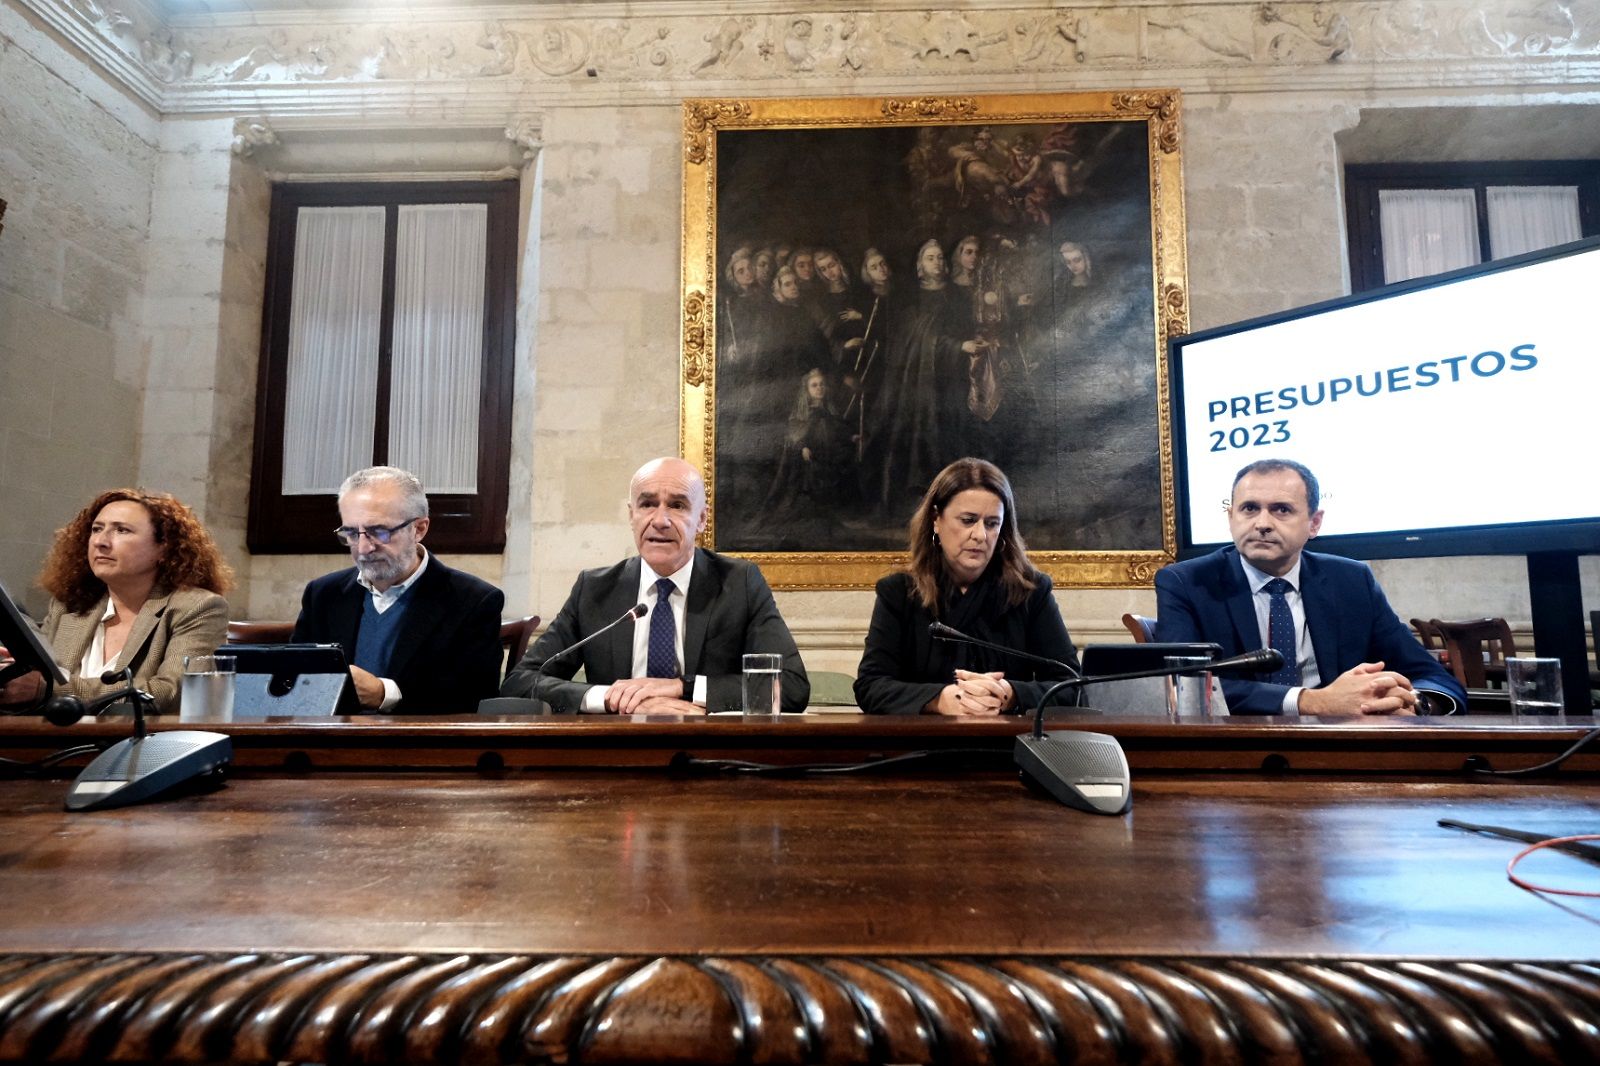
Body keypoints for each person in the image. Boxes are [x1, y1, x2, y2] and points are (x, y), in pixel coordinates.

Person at [1154, 459, 1467, 715]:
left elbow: (1431, 676)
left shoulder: (1352, 581)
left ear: (1314, 523)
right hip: (1235, 747)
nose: (1262, 523)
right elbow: (1184, 686)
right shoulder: (1186, 582)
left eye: (1282, 509)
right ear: (1230, 517)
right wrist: (1314, 701)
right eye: (1249, 508)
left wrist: (1414, 704)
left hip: (1343, 745)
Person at [503, 457, 809, 714]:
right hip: (616, 753)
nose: (660, 520)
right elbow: (520, 682)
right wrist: (612, 698)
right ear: (631, 516)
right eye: (647, 504)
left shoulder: (739, 583)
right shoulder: (595, 590)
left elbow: (791, 686)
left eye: (677, 505)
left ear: (701, 519)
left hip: (708, 751)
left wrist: (682, 688)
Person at [855, 458, 1079, 715]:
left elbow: (1072, 685)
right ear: (936, 519)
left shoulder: (1031, 591)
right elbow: (870, 687)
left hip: (1008, 739)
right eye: (968, 520)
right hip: (923, 739)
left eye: (992, 523)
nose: (980, 535)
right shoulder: (898, 592)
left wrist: (1009, 694)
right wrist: (940, 699)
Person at [292, 466, 503, 714]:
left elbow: (474, 698)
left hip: (418, 737)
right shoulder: (323, 594)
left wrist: (385, 694)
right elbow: (294, 680)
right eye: (351, 533)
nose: (363, 548)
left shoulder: (473, 601)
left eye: (379, 532)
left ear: (419, 529)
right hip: (329, 735)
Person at [0, 489, 231, 714]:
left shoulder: (198, 607)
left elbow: (172, 693)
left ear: (164, 547)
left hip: (143, 738)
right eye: (96, 529)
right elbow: (35, 681)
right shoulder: (69, 604)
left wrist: (48, 689)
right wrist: (12, 675)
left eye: (122, 530)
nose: (101, 541)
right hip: (54, 737)